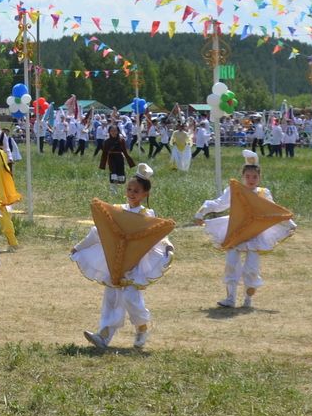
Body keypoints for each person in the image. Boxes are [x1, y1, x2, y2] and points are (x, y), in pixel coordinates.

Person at [71, 163, 173, 350]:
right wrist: (80, 247)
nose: (132, 193)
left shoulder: (146, 214)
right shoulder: (117, 210)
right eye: (129, 189)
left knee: (132, 298)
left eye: (137, 191)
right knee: (112, 298)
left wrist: (168, 247)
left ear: (145, 194)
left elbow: (158, 235)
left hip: (135, 264)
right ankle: (103, 336)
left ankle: (142, 328)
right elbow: (98, 232)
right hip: (115, 262)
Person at [192, 150, 296, 309]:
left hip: (255, 233)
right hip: (236, 231)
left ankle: (248, 300)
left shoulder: (263, 193)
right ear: (242, 176)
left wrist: (289, 224)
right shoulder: (235, 190)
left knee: (252, 269)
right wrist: (201, 212)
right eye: (247, 176)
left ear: (259, 177)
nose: (251, 180)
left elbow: (274, 211)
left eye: (254, 177)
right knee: (231, 263)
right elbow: (219, 203)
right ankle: (230, 298)